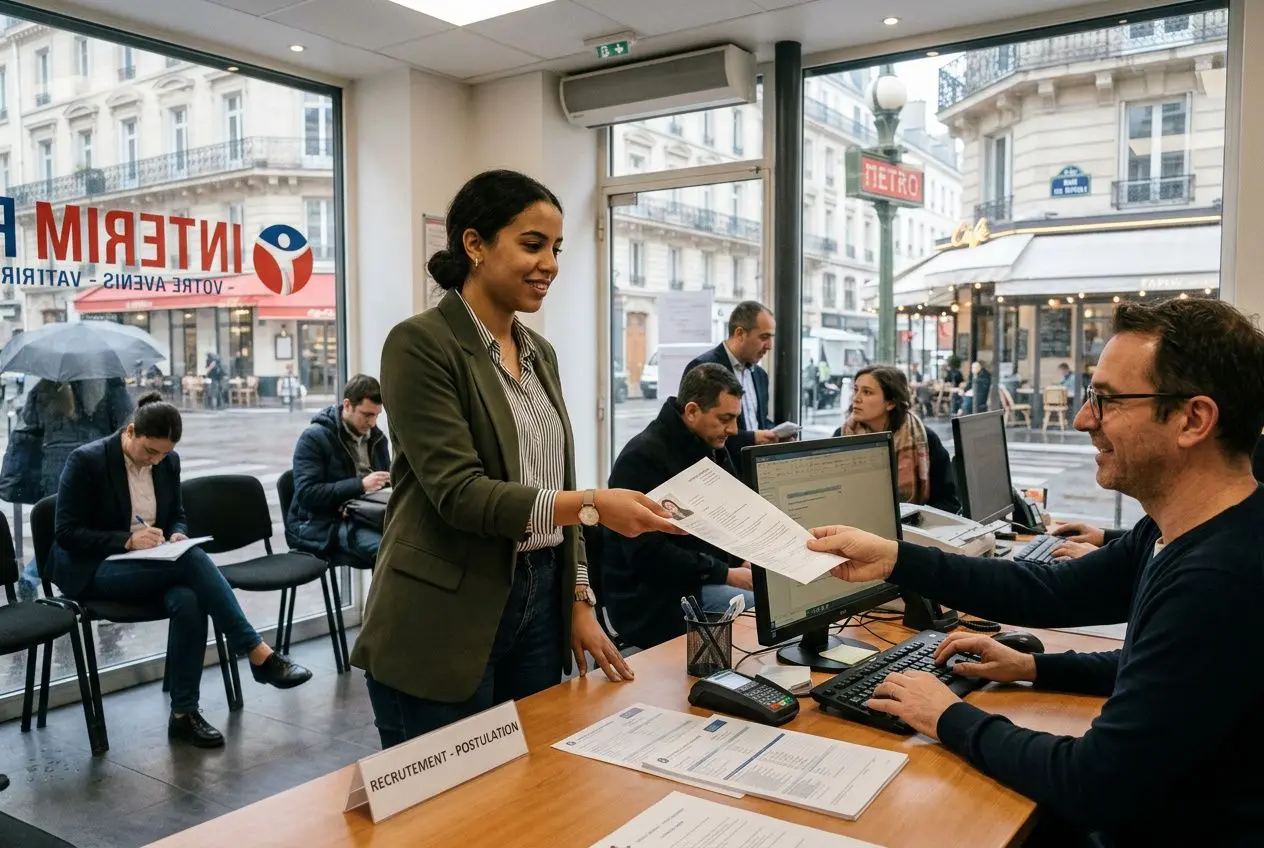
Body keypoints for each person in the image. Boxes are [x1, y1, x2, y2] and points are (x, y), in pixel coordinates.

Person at [805, 297, 1264, 845]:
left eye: (1107, 400)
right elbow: (1056, 594)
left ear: (1193, 419)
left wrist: (948, 717)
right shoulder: (1180, 531)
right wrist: (1030, 665)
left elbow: (1093, 783)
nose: (1082, 419)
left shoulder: (1219, 579)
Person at [351, 169, 682, 748]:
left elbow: (558, 481)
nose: (550, 263)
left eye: (555, 248)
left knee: (528, 787)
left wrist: (579, 598)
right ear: (474, 244)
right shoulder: (421, 343)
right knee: (448, 813)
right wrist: (592, 506)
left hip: (539, 594)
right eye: (532, 244)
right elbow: (460, 492)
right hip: (444, 607)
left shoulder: (539, 352)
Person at [48, 393, 312, 748]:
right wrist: (126, 541)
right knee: (191, 561)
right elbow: (66, 533)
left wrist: (177, 533)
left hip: (153, 565)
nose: (156, 460)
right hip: (94, 570)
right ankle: (257, 651)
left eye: (164, 454)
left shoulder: (167, 463)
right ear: (130, 432)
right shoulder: (86, 462)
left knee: (189, 598)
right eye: (150, 452)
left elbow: (177, 513)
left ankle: (183, 715)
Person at [604, 363, 755, 649]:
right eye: (725, 419)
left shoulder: (706, 445)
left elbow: (732, 510)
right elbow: (649, 556)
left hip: (695, 576)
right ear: (692, 411)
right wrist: (727, 573)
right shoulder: (642, 458)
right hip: (654, 595)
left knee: (776, 595)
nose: (734, 430)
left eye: (736, 418)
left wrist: (741, 558)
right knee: (759, 608)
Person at [0, 377, 134, 601]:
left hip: (54, 469)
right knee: (87, 532)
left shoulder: (45, 386)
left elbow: (29, 429)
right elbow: (126, 426)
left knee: (63, 529)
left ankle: (35, 576)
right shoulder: (108, 384)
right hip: (94, 468)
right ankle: (51, 578)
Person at [1050, 432, 1264, 559]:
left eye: (1113, 400)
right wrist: (1105, 538)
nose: (1082, 421)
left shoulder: (1213, 573)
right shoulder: (1165, 523)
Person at [288, 374, 391, 563]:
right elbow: (307, 494)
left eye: (376, 415)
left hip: (364, 514)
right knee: (388, 552)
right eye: (367, 414)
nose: (372, 423)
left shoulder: (377, 439)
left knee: (411, 543)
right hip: (322, 523)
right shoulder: (314, 438)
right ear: (347, 405)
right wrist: (360, 485)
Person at [833, 365, 959, 514]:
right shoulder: (842, 436)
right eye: (856, 390)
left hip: (915, 529)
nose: (856, 398)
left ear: (890, 403)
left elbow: (949, 503)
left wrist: (913, 521)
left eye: (867, 392)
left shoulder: (924, 439)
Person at [684, 301, 776, 464]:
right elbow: (697, 430)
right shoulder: (703, 370)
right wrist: (752, 438)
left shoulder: (760, 375)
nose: (770, 346)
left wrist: (775, 434)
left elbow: (757, 420)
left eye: (771, 337)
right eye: (764, 337)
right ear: (740, 333)